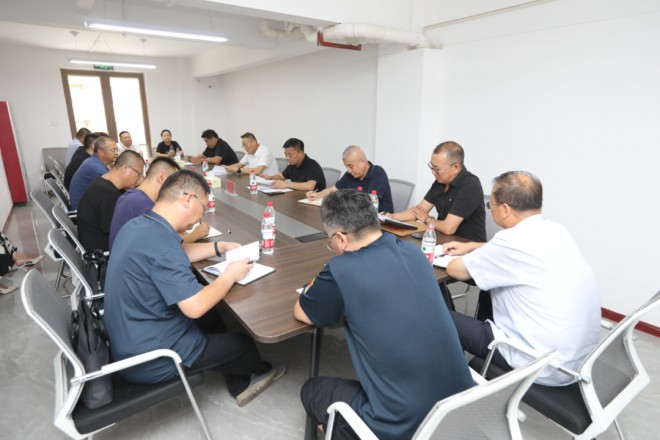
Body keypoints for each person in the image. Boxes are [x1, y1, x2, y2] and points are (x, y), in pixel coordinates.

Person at [295, 189, 474, 440]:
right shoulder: (414, 252)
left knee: (313, 390)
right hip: (461, 408)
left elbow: (303, 312)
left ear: (341, 239)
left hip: (402, 426)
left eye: (330, 241)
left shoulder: (341, 269)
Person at [103, 170, 285, 407]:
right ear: (188, 200)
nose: (200, 218)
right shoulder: (162, 245)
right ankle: (253, 376)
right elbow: (195, 307)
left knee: (213, 316)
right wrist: (230, 275)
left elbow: (177, 252)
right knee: (242, 344)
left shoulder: (141, 225)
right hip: (150, 359)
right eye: (203, 208)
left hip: (130, 337)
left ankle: (232, 370)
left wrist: (219, 247)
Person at [442, 171, 601, 386]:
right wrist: (472, 246)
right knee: (489, 292)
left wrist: (463, 253)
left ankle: (455, 382)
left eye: (491, 205)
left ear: (505, 209)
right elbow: (515, 252)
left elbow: (456, 270)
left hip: (540, 364)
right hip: (576, 360)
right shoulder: (555, 230)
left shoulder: (511, 240)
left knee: (437, 314)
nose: (490, 209)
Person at [384, 141, 486, 242]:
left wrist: (427, 219)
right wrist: (392, 217)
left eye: (437, 169)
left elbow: (448, 228)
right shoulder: (441, 181)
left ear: (456, 167)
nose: (433, 172)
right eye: (432, 167)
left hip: (467, 246)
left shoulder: (470, 185)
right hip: (444, 241)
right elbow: (418, 211)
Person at [108, 157, 210, 251]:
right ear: (161, 178)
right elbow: (170, 247)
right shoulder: (146, 207)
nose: (178, 187)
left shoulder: (131, 195)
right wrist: (196, 234)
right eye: (174, 181)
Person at [76, 150, 145, 252]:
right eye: (139, 173)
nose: (139, 178)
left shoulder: (104, 183)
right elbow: (120, 233)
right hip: (103, 253)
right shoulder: (107, 195)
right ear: (124, 168)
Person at [305, 145, 393, 212]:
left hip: (380, 223)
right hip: (355, 219)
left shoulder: (378, 173)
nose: (348, 170)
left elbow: (367, 204)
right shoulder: (350, 174)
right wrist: (318, 194)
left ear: (362, 162)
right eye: (346, 166)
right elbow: (332, 190)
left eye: (350, 166)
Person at [69, 136, 119, 210]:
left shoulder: (93, 161)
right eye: (113, 150)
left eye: (117, 150)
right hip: (82, 210)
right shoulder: (94, 166)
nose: (116, 153)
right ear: (101, 152)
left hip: (88, 204)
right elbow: (116, 185)